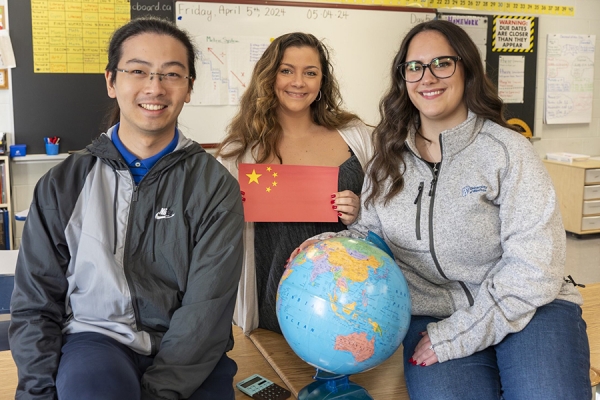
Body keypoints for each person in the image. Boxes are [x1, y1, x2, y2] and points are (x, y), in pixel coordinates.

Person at [293, 20, 591, 400]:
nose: (427, 77)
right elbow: (369, 239)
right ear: (403, 78)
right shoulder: (388, 158)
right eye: (414, 67)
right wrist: (324, 247)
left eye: (442, 63)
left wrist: (460, 334)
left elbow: (535, 267)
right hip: (433, 316)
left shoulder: (508, 151)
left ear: (466, 69)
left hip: (530, 309)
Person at [9, 17, 244, 400]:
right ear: (111, 81)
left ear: (189, 89)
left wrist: (158, 393)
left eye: (172, 74)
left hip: (188, 351)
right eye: (138, 71)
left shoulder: (214, 187)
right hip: (95, 341)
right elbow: (36, 304)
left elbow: (206, 312)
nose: (155, 87)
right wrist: (36, 392)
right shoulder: (62, 184)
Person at [216, 32, 373, 335]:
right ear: (269, 77)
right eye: (286, 70)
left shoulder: (357, 137)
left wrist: (361, 209)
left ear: (322, 81)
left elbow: (389, 212)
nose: (298, 82)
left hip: (351, 308)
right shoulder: (239, 152)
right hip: (272, 311)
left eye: (310, 73)